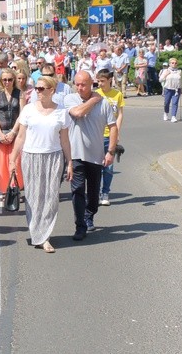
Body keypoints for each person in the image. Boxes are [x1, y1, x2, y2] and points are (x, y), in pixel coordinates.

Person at [8, 76, 72, 252]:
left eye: (42, 88)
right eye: (36, 88)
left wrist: (70, 162)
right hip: (31, 156)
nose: (38, 91)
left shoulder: (62, 112)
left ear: (52, 90)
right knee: (34, 197)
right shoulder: (28, 109)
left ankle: (45, 236)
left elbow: (65, 140)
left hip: (54, 157)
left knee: (51, 198)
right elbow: (21, 136)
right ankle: (38, 233)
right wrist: (12, 159)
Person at [65, 72, 117, 241]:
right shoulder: (71, 99)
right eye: (77, 84)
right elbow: (78, 113)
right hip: (76, 154)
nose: (80, 88)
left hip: (96, 154)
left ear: (91, 84)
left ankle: (90, 214)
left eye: (84, 85)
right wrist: (94, 100)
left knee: (93, 193)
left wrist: (110, 151)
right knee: (78, 190)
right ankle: (80, 225)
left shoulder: (105, 104)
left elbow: (113, 126)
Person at [0, 68, 23, 199]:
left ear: (14, 80)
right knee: (2, 162)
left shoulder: (20, 94)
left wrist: (14, 132)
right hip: (0, 132)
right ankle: (5, 189)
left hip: (16, 131)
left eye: (10, 79)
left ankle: (15, 188)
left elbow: (22, 114)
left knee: (15, 160)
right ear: (1, 80)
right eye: (5, 80)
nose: (7, 82)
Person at [95, 69, 124, 207]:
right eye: (98, 81)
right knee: (95, 166)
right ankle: (95, 192)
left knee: (108, 167)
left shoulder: (117, 94)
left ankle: (105, 192)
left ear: (109, 80)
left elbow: (119, 114)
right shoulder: (95, 94)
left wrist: (117, 132)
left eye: (102, 81)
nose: (100, 84)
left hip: (109, 135)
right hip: (96, 135)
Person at [159, 58, 182, 123]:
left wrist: (181, 88)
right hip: (168, 89)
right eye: (172, 63)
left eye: (175, 63)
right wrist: (166, 74)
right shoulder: (166, 71)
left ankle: (173, 116)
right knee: (166, 103)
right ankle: (166, 112)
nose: (174, 64)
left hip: (176, 89)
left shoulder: (179, 71)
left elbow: (180, 80)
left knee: (175, 103)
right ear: (169, 64)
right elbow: (160, 80)